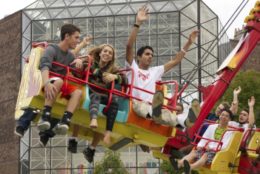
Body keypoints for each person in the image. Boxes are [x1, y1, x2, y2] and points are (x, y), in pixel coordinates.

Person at [125, 6, 199, 126]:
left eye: (152, 55)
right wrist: (138, 23)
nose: (150, 56)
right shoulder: (132, 67)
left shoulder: (155, 71)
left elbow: (176, 60)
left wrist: (189, 43)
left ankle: (184, 121)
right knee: (145, 108)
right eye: (147, 54)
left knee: (170, 116)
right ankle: (156, 115)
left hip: (152, 107)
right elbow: (129, 46)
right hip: (135, 104)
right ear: (138, 57)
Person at [82, 44, 128, 162]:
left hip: (105, 94)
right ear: (100, 52)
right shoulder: (92, 61)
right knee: (95, 97)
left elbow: (125, 79)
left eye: (110, 53)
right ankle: (93, 118)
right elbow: (86, 66)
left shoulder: (113, 68)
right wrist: (99, 73)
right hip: (91, 90)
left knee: (114, 102)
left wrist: (114, 77)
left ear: (112, 57)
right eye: (105, 51)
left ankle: (108, 132)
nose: (107, 54)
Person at [37, 24, 84, 135]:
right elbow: (44, 66)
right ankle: (45, 115)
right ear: (67, 36)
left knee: (78, 92)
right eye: (76, 37)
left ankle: (65, 120)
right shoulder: (51, 49)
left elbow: (78, 73)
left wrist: (79, 62)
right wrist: (47, 82)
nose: (78, 41)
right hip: (46, 79)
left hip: (60, 83)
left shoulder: (70, 56)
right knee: (59, 81)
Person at [171, 109, 235, 174]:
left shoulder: (230, 132)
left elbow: (225, 145)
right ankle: (179, 163)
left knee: (205, 155)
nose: (223, 117)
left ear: (229, 119)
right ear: (219, 116)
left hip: (217, 152)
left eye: (226, 116)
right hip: (206, 148)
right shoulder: (212, 127)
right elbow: (204, 138)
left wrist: (212, 148)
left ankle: (190, 167)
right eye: (222, 115)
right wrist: (201, 146)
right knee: (194, 152)